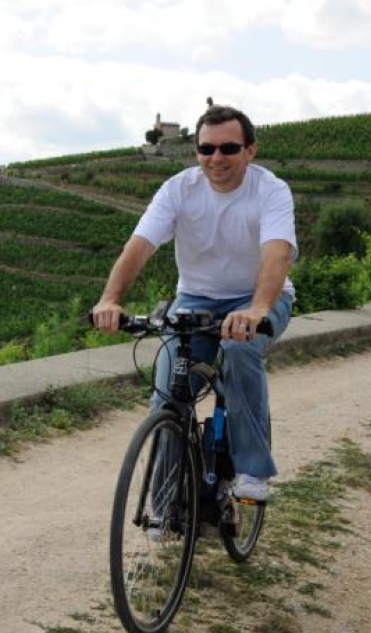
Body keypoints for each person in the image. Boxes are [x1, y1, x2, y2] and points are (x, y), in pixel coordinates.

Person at [91, 104, 297, 502]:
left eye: (228, 148)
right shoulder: (178, 189)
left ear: (250, 151)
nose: (216, 158)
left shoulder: (270, 189)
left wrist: (257, 309)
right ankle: (164, 506)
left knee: (239, 353)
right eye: (206, 149)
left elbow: (277, 254)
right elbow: (139, 247)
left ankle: (253, 470)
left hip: (258, 295)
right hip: (196, 297)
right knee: (168, 392)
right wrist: (110, 299)